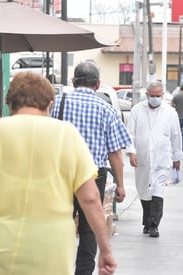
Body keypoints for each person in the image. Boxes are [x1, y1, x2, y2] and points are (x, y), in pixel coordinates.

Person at [0, 72, 117, 274]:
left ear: (9, 103)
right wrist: (105, 250)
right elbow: (90, 199)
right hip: (51, 255)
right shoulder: (67, 134)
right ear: (50, 104)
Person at [51, 61, 131, 274]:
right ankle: (83, 272)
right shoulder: (106, 109)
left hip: (59, 175)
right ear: (98, 85)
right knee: (89, 228)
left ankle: (58, 267)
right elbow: (115, 152)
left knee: (59, 223)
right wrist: (121, 185)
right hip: (94, 176)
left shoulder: (55, 103)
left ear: (73, 82)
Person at [126, 81, 183, 238]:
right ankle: (147, 221)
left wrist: (177, 157)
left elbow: (175, 135)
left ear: (163, 95)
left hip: (162, 158)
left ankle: (154, 225)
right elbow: (130, 134)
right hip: (142, 158)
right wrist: (132, 153)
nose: (155, 99)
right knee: (144, 190)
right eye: (152, 96)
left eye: (158, 96)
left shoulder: (170, 112)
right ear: (147, 95)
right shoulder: (137, 110)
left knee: (158, 190)